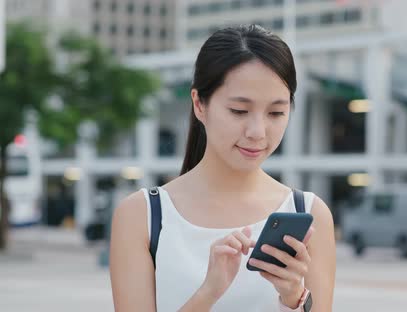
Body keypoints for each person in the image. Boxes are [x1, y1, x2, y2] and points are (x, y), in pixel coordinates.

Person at [109, 25, 336, 311]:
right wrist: (208, 292)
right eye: (239, 111)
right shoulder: (142, 215)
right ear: (199, 105)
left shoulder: (309, 213)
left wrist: (294, 298)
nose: (258, 131)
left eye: (276, 113)